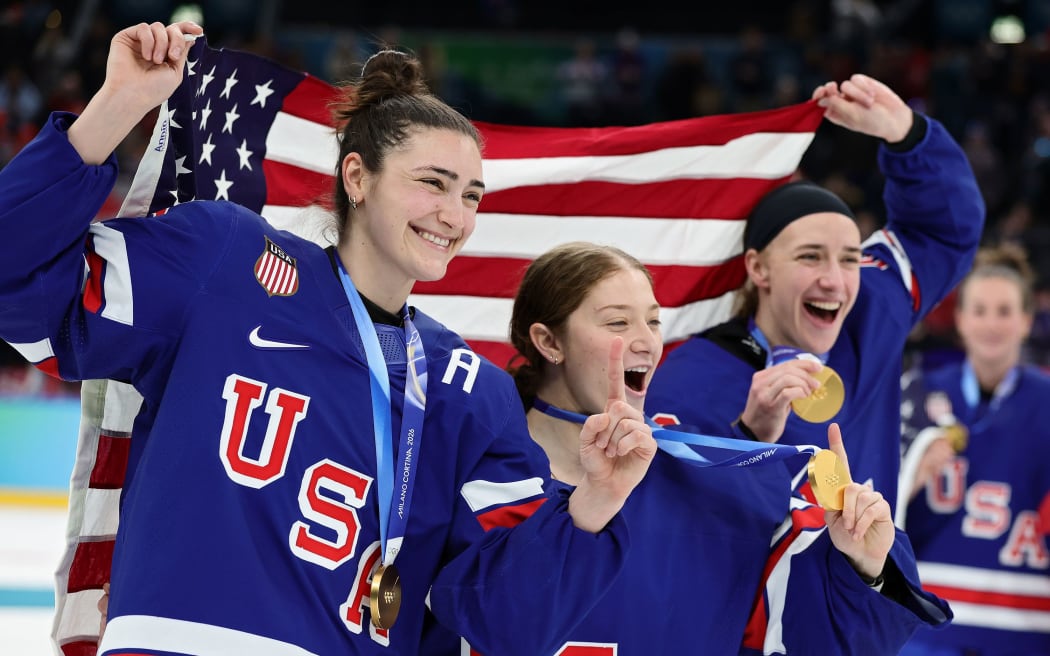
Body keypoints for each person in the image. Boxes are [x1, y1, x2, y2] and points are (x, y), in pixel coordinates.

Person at [0, 21, 658, 655]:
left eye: (473, 196)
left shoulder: (468, 391)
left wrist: (597, 500)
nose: (454, 216)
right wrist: (117, 107)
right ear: (357, 178)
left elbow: (504, 623)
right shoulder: (226, 259)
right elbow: (16, 278)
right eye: (432, 183)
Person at [430, 241, 952, 655]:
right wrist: (590, 506)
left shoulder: (701, 472)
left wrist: (864, 565)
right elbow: (488, 624)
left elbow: (806, 635)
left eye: (653, 321)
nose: (645, 340)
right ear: (550, 342)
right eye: (617, 322)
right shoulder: (470, 464)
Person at [647, 74, 985, 512]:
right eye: (810, 257)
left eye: (848, 258)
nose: (834, 279)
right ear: (759, 268)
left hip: (866, 583)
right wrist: (749, 436)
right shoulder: (691, 376)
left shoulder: (872, 310)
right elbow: (673, 521)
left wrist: (908, 135)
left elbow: (943, 230)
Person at [897, 245, 1050, 655]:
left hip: (1025, 623)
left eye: (1004, 311)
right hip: (928, 621)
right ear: (961, 320)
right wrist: (909, 475)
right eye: (980, 311)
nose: (991, 324)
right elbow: (877, 498)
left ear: (1026, 321)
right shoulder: (916, 393)